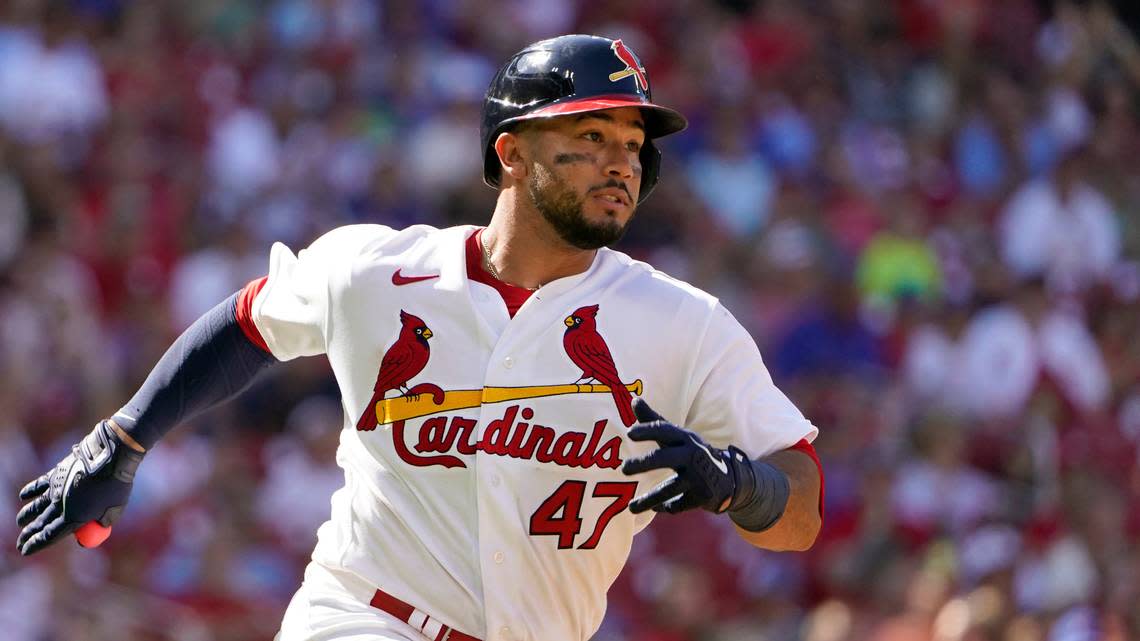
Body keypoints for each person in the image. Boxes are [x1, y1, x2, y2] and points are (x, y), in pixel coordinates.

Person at [15, 35, 824, 641]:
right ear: (510, 153)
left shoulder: (683, 323)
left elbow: (803, 505)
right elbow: (248, 323)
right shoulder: (379, 269)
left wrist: (737, 484)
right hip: (362, 615)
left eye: (632, 145)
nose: (620, 163)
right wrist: (124, 436)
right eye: (589, 138)